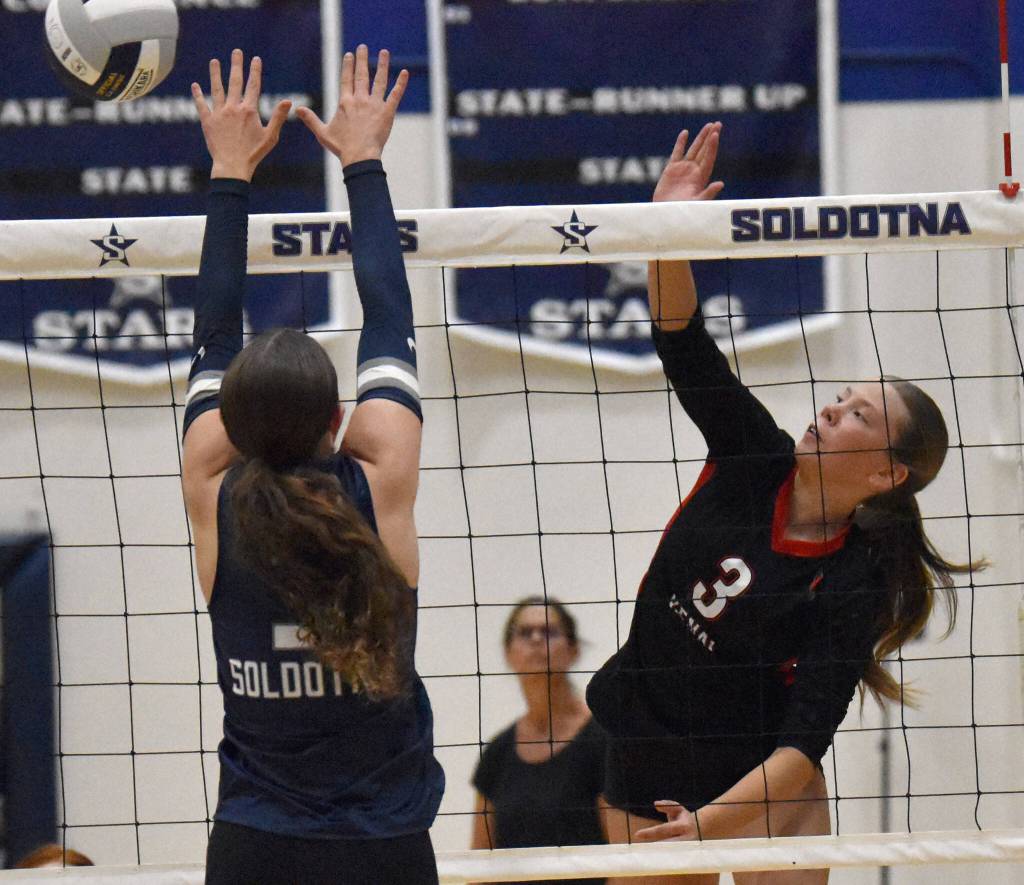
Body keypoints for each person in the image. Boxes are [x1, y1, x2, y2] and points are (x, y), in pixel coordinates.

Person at [585, 122, 980, 885]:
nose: (832, 411)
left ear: (890, 474)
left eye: (858, 415)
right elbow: (680, 338)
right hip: (647, 742)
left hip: (760, 777)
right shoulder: (752, 455)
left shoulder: (856, 577)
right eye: (839, 398)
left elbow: (803, 745)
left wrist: (710, 826)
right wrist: (668, 233)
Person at [181, 46, 443, 885]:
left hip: (257, 843)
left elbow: (213, 335)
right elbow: (390, 321)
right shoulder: (382, 476)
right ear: (341, 420)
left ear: (233, 424)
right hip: (382, 845)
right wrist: (363, 162)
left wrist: (230, 172)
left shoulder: (213, 492)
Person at [470, 597, 608, 885]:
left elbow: (623, 863)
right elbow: (479, 869)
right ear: (508, 653)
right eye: (524, 632)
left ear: (573, 649)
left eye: (549, 632)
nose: (535, 639)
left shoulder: (603, 742)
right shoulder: (497, 754)